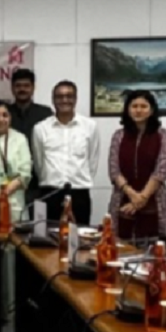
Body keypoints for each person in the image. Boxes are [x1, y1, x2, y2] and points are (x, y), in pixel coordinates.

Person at [108, 90, 166, 253]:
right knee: (120, 251)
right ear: (127, 109)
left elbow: (162, 169)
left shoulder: (162, 135)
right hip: (122, 200)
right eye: (134, 106)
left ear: (152, 110)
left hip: (155, 201)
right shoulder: (119, 135)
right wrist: (132, 195)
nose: (138, 110)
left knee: (156, 253)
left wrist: (142, 198)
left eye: (144, 106)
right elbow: (114, 169)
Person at [31, 80, 99, 225]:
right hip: (50, 193)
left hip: (79, 193)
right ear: (53, 100)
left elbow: (92, 161)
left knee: (80, 235)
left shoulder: (90, 126)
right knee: (48, 236)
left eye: (69, 96)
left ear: (75, 99)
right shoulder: (40, 128)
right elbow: (39, 163)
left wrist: (79, 179)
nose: (64, 100)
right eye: (59, 96)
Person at [8, 68, 53, 204]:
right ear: (12, 88)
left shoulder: (45, 114)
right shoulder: (4, 113)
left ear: (33, 88)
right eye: (18, 86)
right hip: (10, 179)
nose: (22, 89)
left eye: (26, 86)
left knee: (38, 216)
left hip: (39, 182)